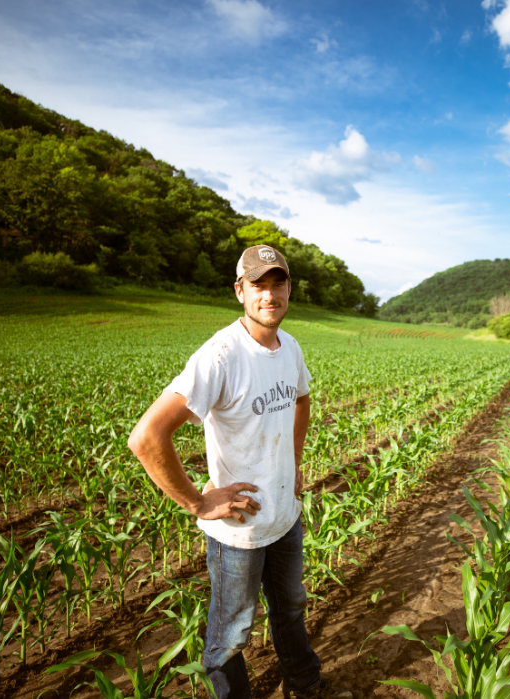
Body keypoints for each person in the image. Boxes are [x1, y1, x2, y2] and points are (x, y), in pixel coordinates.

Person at [128, 245, 352, 699]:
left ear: (289, 289)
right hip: (240, 529)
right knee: (231, 633)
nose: (269, 294)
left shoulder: (290, 347)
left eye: (278, 283)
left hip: (284, 516)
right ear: (240, 291)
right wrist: (197, 501)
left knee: (290, 607)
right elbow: (147, 437)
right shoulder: (221, 355)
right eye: (258, 285)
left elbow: (302, 399)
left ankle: (305, 687)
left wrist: (293, 460)